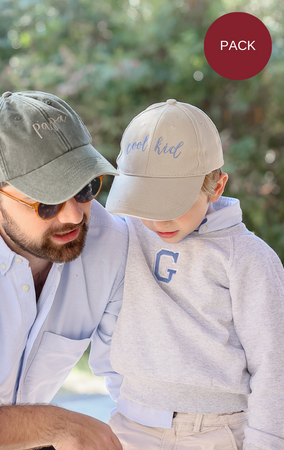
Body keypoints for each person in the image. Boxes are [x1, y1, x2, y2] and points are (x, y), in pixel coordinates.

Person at [0, 90, 127, 450]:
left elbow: (133, 385)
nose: (74, 216)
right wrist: (55, 425)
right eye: (47, 203)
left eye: (85, 188)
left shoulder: (110, 245)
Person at [105, 99, 284, 450]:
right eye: (145, 201)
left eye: (172, 203)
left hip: (215, 433)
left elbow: (275, 365)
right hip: (131, 424)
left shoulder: (249, 258)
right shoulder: (126, 231)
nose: (158, 221)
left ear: (216, 186)